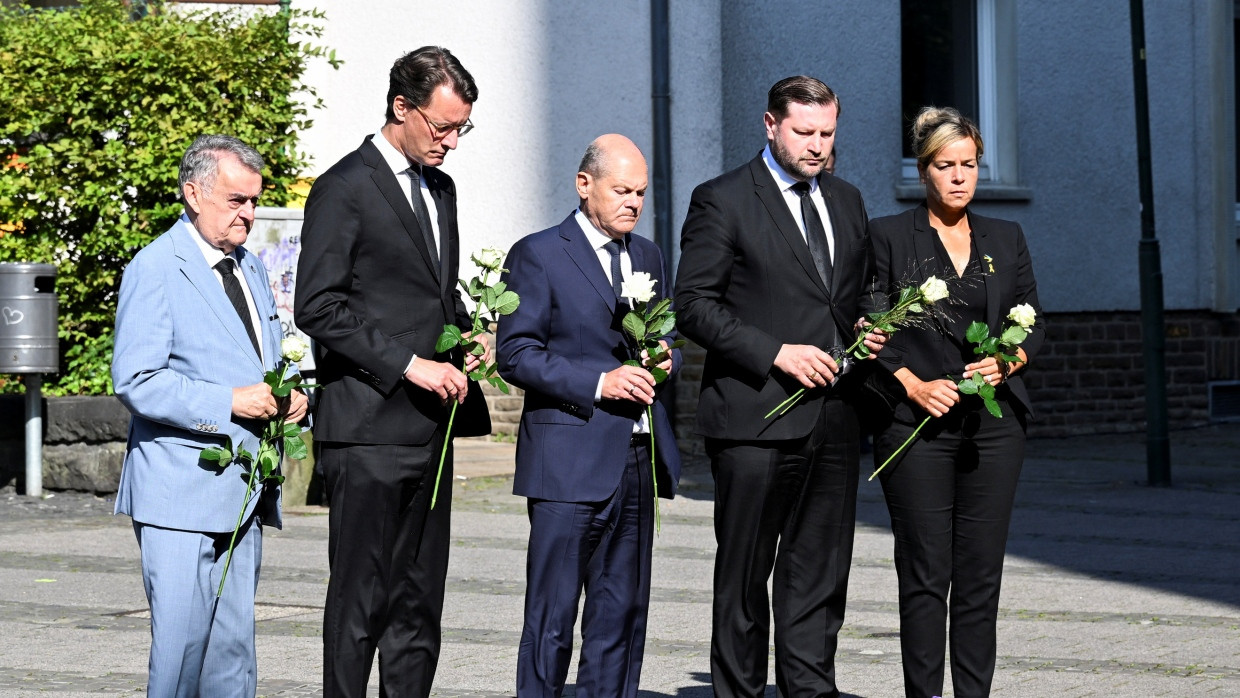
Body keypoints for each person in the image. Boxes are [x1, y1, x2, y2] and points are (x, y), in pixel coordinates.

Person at [674, 76, 886, 697]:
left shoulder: (846, 200)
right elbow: (692, 304)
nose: (818, 146)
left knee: (820, 577)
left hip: (836, 416)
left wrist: (872, 324)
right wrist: (776, 354)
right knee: (744, 580)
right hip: (754, 420)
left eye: (827, 133)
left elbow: (861, 286)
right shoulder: (723, 199)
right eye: (804, 133)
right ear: (770, 125)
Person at [293, 46, 491, 697]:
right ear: (401, 107)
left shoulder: (442, 188)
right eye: (443, 127)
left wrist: (467, 337)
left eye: (462, 127)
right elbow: (317, 306)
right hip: (367, 430)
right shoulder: (343, 187)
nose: (453, 142)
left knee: (417, 608)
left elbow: (429, 294)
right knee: (360, 606)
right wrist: (411, 365)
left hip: (430, 433)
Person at [112, 133, 309, 697]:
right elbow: (136, 379)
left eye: (254, 201)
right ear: (193, 193)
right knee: (180, 655)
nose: (249, 214)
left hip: (244, 486)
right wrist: (227, 401)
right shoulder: (155, 267)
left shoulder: (247, 266)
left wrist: (290, 395)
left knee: (232, 656)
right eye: (236, 201)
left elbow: (262, 356)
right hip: (178, 490)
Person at [864, 106, 1045, 698]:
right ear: (924, 171)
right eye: (947, 165)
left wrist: (1009, 359)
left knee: (979, 578)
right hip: (916, 428)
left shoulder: (1005, 236)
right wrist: (912, 383)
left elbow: (1033, 321)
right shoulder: (889, 236)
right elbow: (867, 327)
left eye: (969, 164)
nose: (961, 176)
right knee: (924, 575)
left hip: (993, 431)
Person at [496, 134, 682, 697]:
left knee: (621, 617)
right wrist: (599, 383)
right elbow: (516, 353)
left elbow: (660, 333)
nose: (633, 202)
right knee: (551, 619)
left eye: (641, 193)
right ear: (585, 185)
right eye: (622, 190)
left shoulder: (646, 255)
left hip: (635, 455)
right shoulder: (539, 253)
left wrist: (664, 356)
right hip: (568, 459)